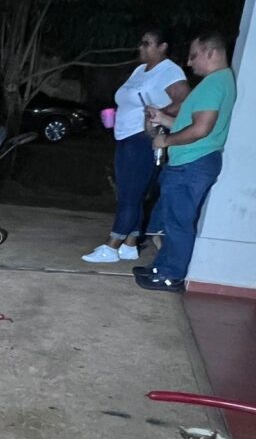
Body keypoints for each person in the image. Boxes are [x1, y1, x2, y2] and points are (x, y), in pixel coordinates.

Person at [135, 32, 236, 292]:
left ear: (210, 52)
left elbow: (201, 129)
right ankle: (161, 268)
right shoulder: (217, 82)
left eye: (193, 56)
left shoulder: (214, 84)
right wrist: (162, 118)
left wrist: (165, 141)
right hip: (191, 162)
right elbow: (191, 124)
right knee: (171, 220)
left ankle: (171, 275)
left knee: (178, 223)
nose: (189, 63)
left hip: (193, 163)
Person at [82, 28, 189, 264]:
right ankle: (130, 244)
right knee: (133, 193)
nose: (141, 47)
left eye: (147, 43)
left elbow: (184, 101)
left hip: (143, 138)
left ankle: (112, 245)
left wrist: (159, 115)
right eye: (141, 43)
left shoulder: (169, 71)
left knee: (129, 195)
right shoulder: (141, 70)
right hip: (125, 136)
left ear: (163, 47)